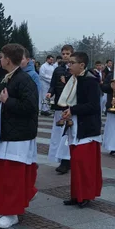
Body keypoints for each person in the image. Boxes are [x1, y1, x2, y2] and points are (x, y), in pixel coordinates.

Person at [0, 43, 38, 229]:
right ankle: (8, 207)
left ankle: (12, 213)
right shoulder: (7, 78)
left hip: (19, 136)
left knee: (12, 174)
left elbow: (30, 107)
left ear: (8, 59)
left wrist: (9, 101)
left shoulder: (25, 80)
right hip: (7, 132)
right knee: (2, 172)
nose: (0, 58)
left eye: (2, 56)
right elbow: (1, 102)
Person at [57, 51, 103, 207]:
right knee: (76, 163)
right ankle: (76, 194)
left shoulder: (91, 82)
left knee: (85, 165)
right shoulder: (74, 79)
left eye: (72, 63)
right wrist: (68, 111)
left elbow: (93, 106)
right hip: (75, 126)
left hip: (87, 128)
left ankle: (86, 195)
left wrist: (73, 110)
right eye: (68, 63)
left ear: (82, 65)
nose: (69, 66)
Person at [47, 45, 74, 174]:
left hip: (70, 106)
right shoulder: (58, 70)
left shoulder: (74, 70)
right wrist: (49, 93)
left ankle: (67, 161)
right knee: (58, 134)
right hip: (59, 105)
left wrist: (67, 80)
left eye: (67, 53)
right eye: (63, 53)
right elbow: (53, 85)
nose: (65, 56)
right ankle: (60, 158)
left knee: (68, 135)